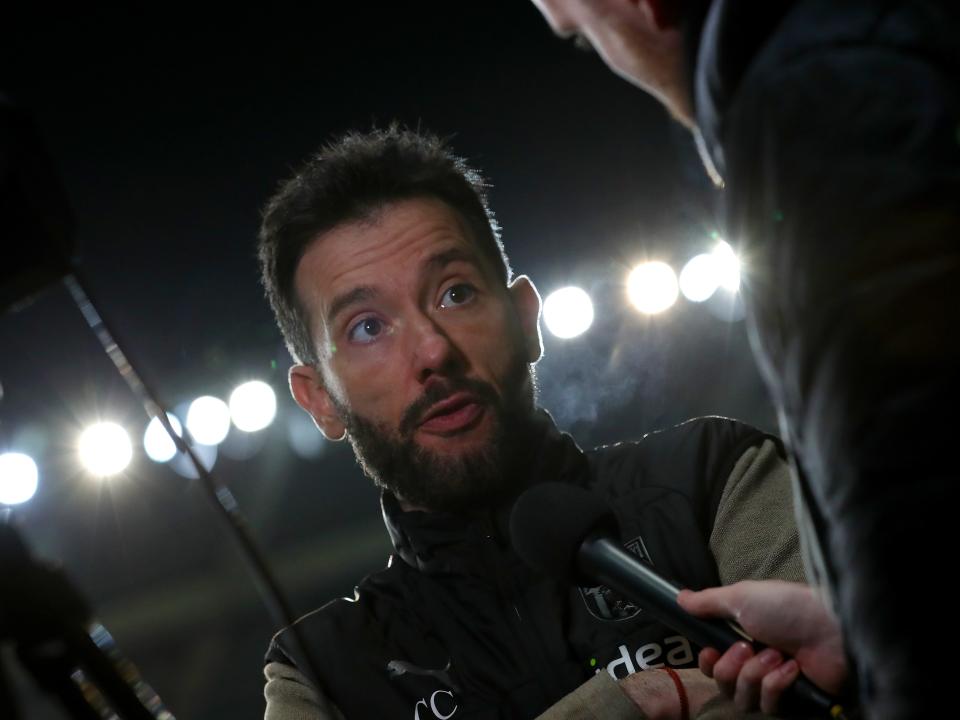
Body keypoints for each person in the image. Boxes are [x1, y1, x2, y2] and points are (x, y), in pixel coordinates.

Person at [256, 127, 805, 720]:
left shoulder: (714, 477)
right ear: (320, 399)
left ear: (525, 318)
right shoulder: (319, 674)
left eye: (455, 293)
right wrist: (630, 700)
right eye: (367, 327)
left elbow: (850, 690)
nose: (433, 350)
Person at [531, 1, 960, 717]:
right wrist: (852, 633)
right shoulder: (846, 54)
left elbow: (919, 491)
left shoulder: (815, 98)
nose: (614, 63)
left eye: (584, 39)